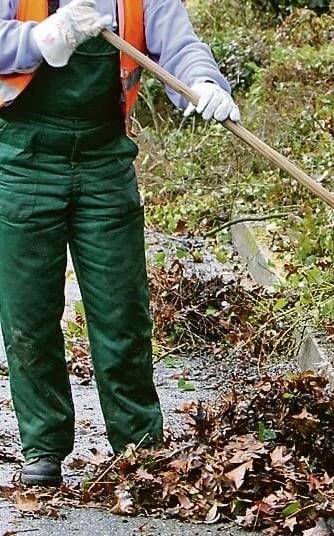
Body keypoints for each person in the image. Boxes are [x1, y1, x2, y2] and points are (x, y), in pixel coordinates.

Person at [0, 0, 239, 487]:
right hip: (23, 158)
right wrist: (43, 38)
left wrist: (204, 82)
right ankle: (42, 446)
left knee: (122, 310)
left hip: (104, 159)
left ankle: (139, 445)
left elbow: (179, 45)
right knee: (28, 314)